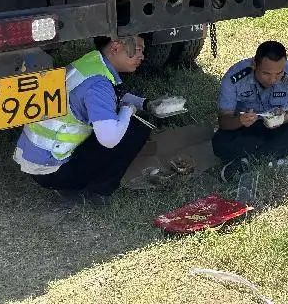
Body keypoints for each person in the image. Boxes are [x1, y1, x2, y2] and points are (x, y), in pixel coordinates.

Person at [13, 35, 173, 202]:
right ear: (115, 48)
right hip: (52, 172)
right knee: (133, 130)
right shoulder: (99, 85)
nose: (142, 56)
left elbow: (112, 97)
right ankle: (95, 191)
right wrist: (128, 109)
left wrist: (145, 104)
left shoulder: (91, 64)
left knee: (119, 121)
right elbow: (109, 139)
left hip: (36, 160)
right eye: (138, 50)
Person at [214, 41, 288, 180]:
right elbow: (223, 121)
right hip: (248, 128)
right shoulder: (235, 77)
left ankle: (247, 162)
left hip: (280, 125)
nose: (273, 79)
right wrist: (239, 121)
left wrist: (284, 119)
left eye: (279, 73)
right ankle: (279, 151)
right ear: (255, 65)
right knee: (220, 142)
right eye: (266, 73)